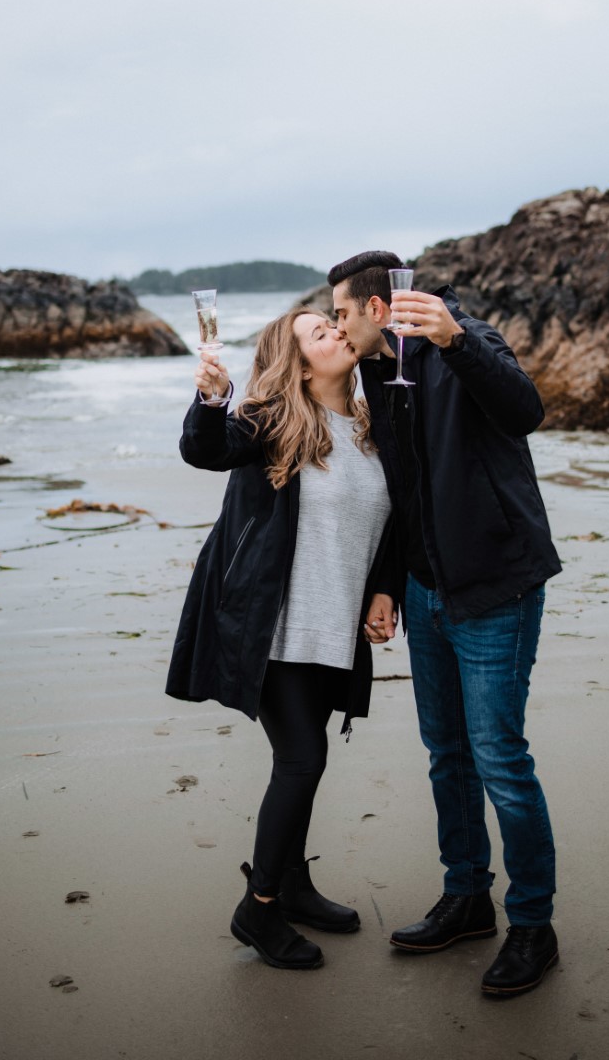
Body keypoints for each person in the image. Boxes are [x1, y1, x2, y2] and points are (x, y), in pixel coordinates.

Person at [329, 251, 563, 998]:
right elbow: (404, 489)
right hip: (429, 590)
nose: (336, 326)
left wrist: (458, 340)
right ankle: (467, 897)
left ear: (375, 308)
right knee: (447, 755)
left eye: (340, 313)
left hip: (496, 585)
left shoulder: (469, 337)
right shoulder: (378, 373)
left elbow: (526, 412)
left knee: (500, 758)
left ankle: (533, 925)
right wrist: (390, 586)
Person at [165, 306, 397, 971]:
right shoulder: (270, 423)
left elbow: (391, 523)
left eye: (332, 323)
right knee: (303, 759)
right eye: (317, 333)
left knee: (306, 755)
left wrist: (387, 589)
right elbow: (204, 450)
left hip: (334, 626)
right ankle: (259, 907)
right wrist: (211, 399)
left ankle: (292, 882)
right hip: (271, 627)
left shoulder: (371, 427)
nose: (333, 332)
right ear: (296, 362)